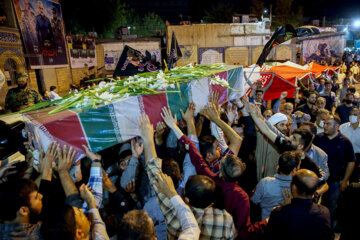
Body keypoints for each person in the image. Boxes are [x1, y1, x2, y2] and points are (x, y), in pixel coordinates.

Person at [161, 105, 268, 239]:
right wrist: (266, 223)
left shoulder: (209, 177)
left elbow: (193, 150)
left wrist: (174, 126)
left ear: (221, 172)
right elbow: (245, 231)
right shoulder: (242, 197)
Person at [137, 114, 236, 240]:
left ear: (186, 199)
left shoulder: (174, 215)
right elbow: (191, 157)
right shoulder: (226, 220)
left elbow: (153, 171)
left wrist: (148, 138)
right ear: (212, 202)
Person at [313, 115, 356, 229]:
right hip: (318, 181)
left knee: (332, 207)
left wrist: (345, 180)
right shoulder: (318, 138)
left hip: (335, 182)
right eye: (325, 123)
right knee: (316, 207)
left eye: (328, 124)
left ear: (337, 126)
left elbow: (351, 162)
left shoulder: (345, 142)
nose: (325, 126)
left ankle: (329, 230)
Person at [265, 169, 332, 240]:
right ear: (314, 191)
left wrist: (287, 207)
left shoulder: (278, 214)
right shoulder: (324, 212)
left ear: (293, 187)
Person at [251, 151, 300, 220]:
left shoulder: (265, 183)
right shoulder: (299, 188)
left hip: (266, 226)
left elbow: (253, 201)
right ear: (294, 170)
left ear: (278, 166)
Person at [339, 108, 360, 182]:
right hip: (344, 156)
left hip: (358, 157)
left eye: (355, 115)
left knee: (354, 180)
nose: (352, 116)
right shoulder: (342, 127)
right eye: (351, 114)